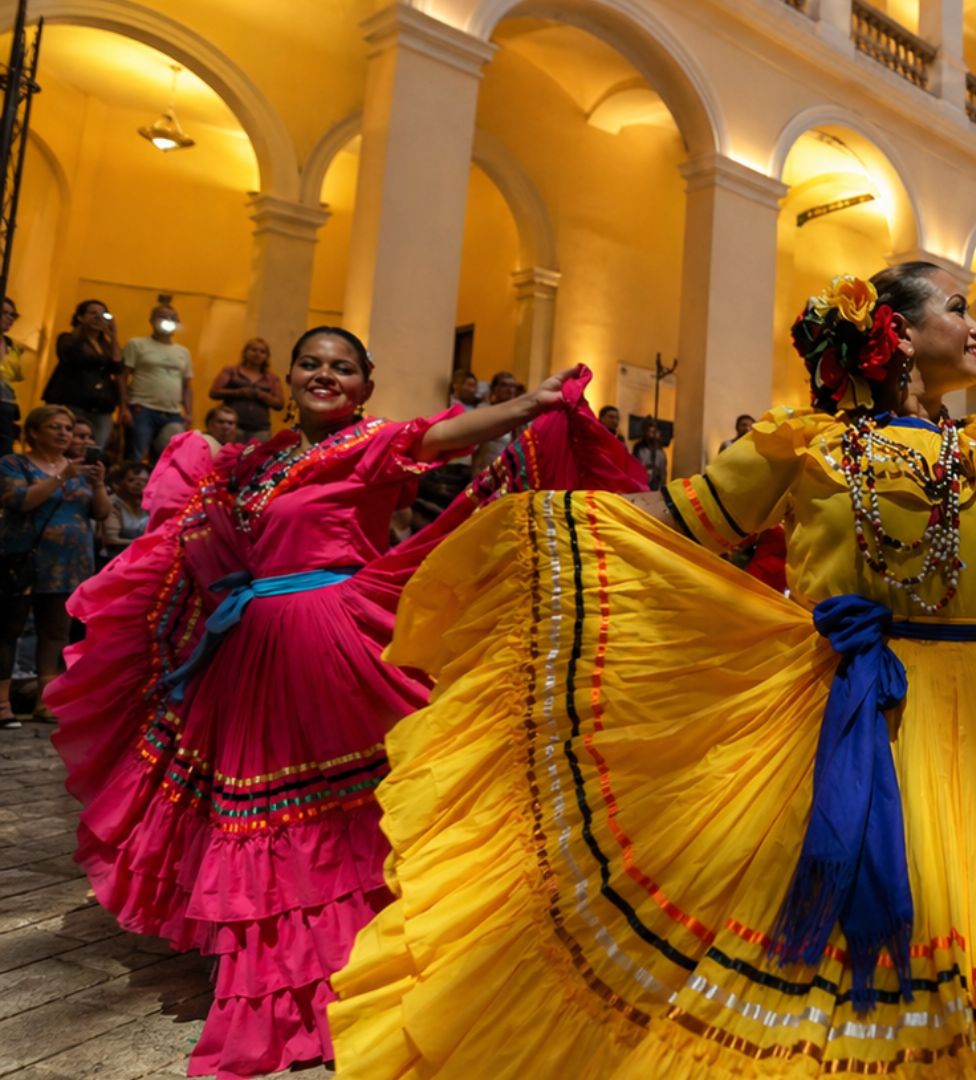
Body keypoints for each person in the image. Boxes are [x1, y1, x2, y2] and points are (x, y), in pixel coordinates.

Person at [326, 266, 976, 1079]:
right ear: (895, 334)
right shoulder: (801, 446)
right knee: (829, 943)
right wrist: (538, 534)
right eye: (958, 307)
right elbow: (677, 522)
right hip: (841, 708)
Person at [44, 326, 643, 1078]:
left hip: (336, 644)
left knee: (355, 816)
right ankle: (280, 972)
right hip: (251, 655)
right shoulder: (261, 460)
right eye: (312, 364)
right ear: (291, 377)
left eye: (343, 368)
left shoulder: (371, 443)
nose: (325, 375)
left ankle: (367, 961)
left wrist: (528, 403)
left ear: (364, 383)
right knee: (259, 816)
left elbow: (440, 438)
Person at [0, 406, 108, 727]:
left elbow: (100, 513)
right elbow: (20, 501)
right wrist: (63, 476)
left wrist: (99, 484)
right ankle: (2, 705)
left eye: (68, 428)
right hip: (24, 561)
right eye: (54, 427)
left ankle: (45, 702)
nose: (64, 433)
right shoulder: (12, 463)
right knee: (8, 631)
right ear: (33, 432)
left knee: (56, 633)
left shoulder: (77, 468)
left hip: (69, 564)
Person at [42, 299, 121, 449]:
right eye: (93, 313)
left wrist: (114, 336)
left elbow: (117, 367)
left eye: (103, 314)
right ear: (80, 317)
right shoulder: (67, 339)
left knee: (96, 447)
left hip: (101, 406)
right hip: (72, 401)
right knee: (69, 445)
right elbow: (76, 358)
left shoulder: (107, 346)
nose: (98, 318)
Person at [121, 301, 194, 464]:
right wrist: (124, 407)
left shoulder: (183, 352)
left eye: (173, 318)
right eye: (162, 317)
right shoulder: (137, 344)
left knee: (168, 458)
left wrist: (188, 412)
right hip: (142, 408)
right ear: (152, 320)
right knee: (136, 455)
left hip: (172, 413)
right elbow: (122, 377)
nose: (168, 320)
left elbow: (187, 386)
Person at [208, 337, 285, 443]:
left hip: (260, 429)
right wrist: (239, 392)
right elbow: (214, 392)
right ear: (245, 352)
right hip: (232, 427)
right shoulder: (231, 371)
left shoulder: (272, 378)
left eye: (262, 351)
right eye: (253, 350)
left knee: (257, 458)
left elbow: (279, 404)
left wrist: (262, 395)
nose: (257, 354)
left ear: (266, 356)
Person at [96, 461, 150, 564]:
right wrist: (147, 543)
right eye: (131, 480)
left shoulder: (149, 504)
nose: (138, 484)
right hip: (113, 560)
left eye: (144, 481)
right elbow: (111, 540)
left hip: (140, 559)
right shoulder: (112, 503)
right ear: (119, 482)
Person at [0, 297, 24, 448]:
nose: (10, 318)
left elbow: (13, 376)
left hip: (5, 402)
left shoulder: (12, 345)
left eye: (13, 315)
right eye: (4, 313)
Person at [631, 416, 666, 489]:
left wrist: (662, 483)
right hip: (642, 483)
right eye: (649, 430)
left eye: (654, 430)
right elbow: (635, 466)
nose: (652, 432)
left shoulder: (659, 448)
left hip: (656, 483)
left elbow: (662, 469)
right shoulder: (639, 447)